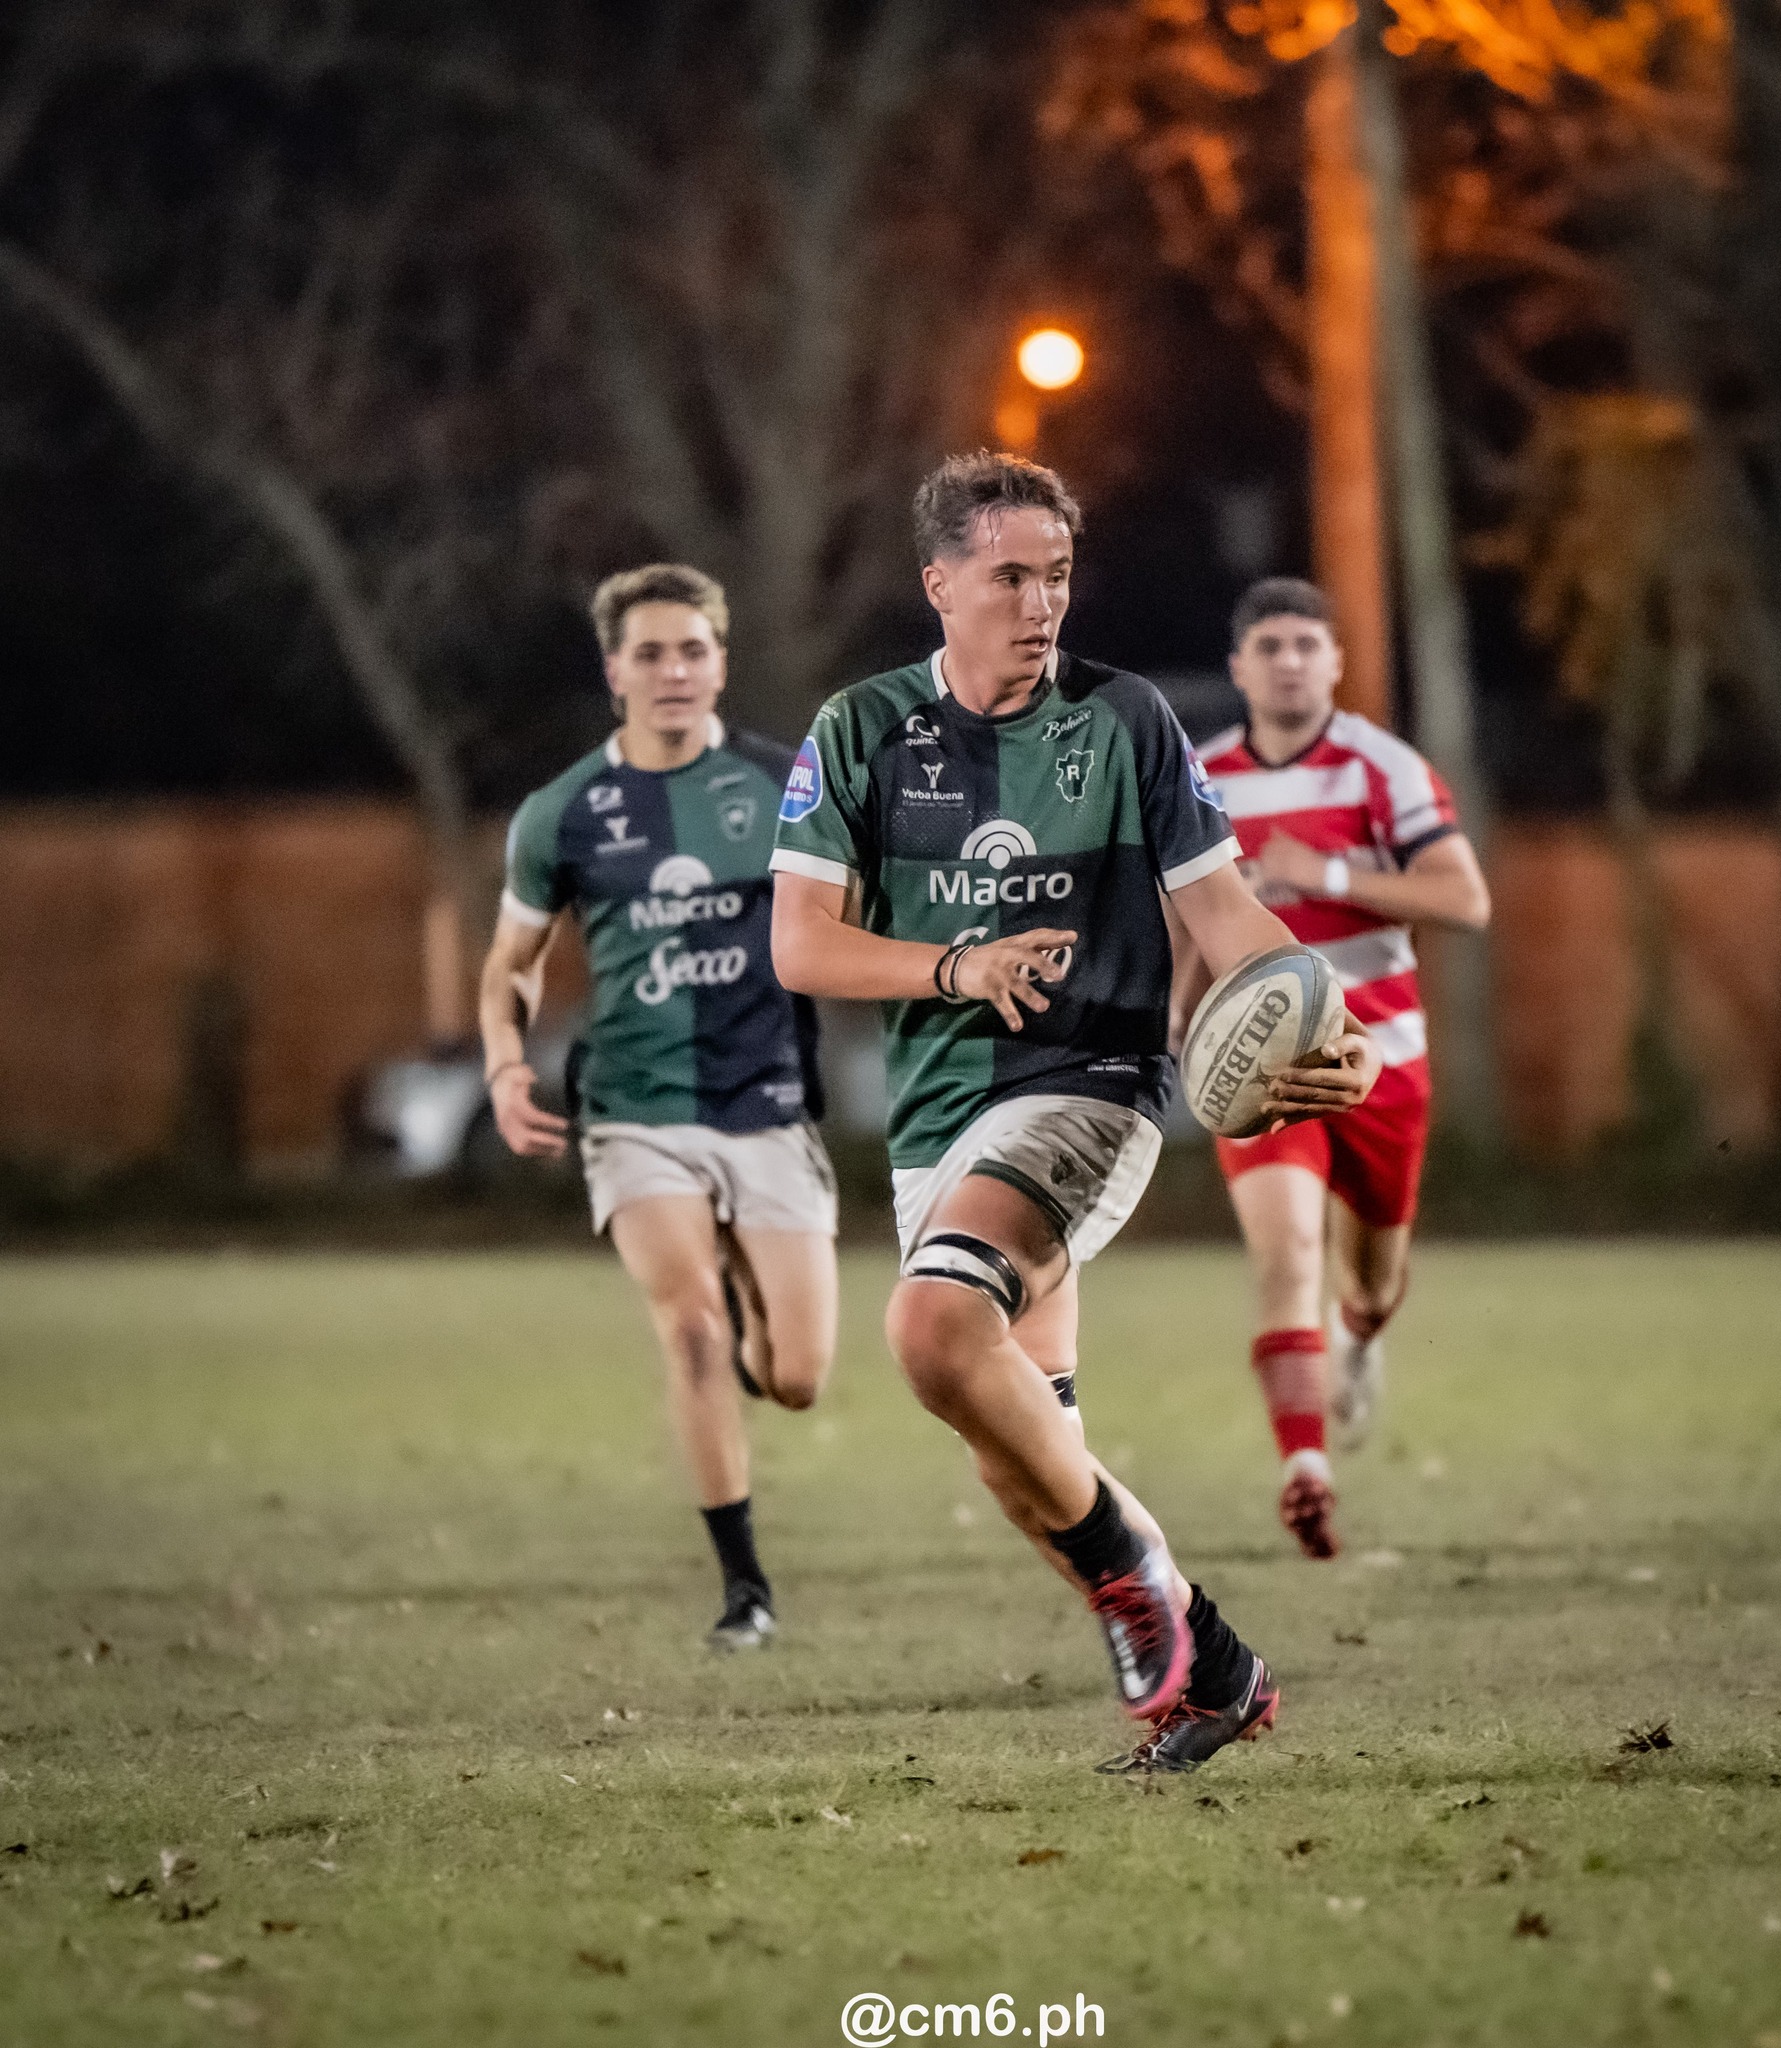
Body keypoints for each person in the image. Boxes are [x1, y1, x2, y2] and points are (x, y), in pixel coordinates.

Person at [768, 455, 1377, 1773]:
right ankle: (1220, 1671)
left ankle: (1133, 1588)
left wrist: (1330, 1025)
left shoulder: (1124, 720)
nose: (1040, 602)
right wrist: (956, 968)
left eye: (1054, 576)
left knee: (931, 1327)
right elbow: (801, 945)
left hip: (1086, 1090)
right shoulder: (860, 731)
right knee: (1021, 1457)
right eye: (1009, 577)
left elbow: (1227, 917)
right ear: (939, 584)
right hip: (938, 1124)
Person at [479, 562, 839, 1650]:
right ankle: (745, 1588)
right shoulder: (563, 812)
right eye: (650, 653)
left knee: (796, 1376)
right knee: (688, 1330)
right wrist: (505, 1067)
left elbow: (856, 911)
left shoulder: (785, 784)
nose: (673, 670)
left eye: (692, 650)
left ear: (720, 663)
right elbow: (511, 965)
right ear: (614, 671)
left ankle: (741, 1297)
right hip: (634, 1106)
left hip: (766, 1099)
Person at [1186, 577, 1491, 1560]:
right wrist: (1179, 1019)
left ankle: (1358, 1337)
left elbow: (1465, 899)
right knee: (1286, 1256)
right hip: (1265, 1067)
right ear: (1237, 668)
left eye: (1306, 644)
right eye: (1269, 645)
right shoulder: (1199, 779)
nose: (1288, 661)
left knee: (1370, 1280)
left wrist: (1318, 873)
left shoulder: (1381, 767)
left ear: (1335, 663)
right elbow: (1184, 920)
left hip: (1382, 1056)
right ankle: (1305, 1469)